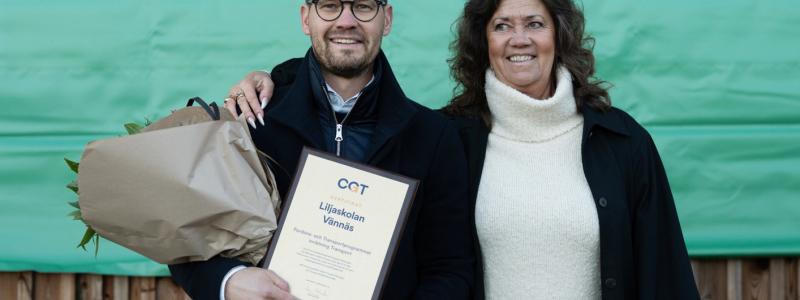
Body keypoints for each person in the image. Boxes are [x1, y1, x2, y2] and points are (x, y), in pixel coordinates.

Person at [230, 0, 701, 299]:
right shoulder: (457, 135)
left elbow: (666, 272)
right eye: (502, 26)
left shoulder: (621, 143)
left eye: (534, 23)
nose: (519, 38)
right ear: (484, 41)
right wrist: (279, 78)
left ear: (559, 35)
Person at [169, 1, 476, 299]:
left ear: (387, 19)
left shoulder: (432, 135)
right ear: (306, 18)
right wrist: (228, 282)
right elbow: (188, 239)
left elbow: (449, 268)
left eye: (364, 6)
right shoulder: (250, 120)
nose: (346, 20)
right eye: (330, 6)